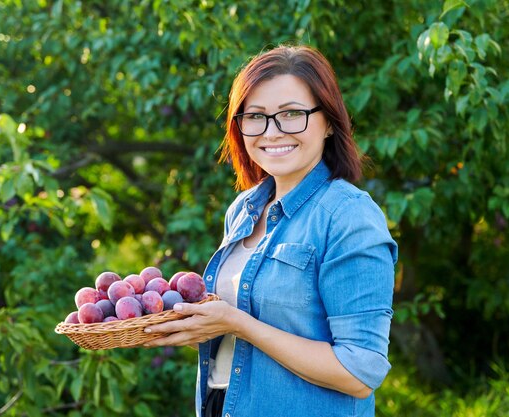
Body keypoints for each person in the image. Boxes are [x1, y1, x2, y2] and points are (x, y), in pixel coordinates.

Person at [143, 45, 397, 417]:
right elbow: (237, 340)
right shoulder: (243, 210)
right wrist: (187, 325)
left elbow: (359, 371)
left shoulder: (348, 216)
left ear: (328, 122)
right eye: (256, 117)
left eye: (292, 114)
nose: (272, 132)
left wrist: (241, 325)